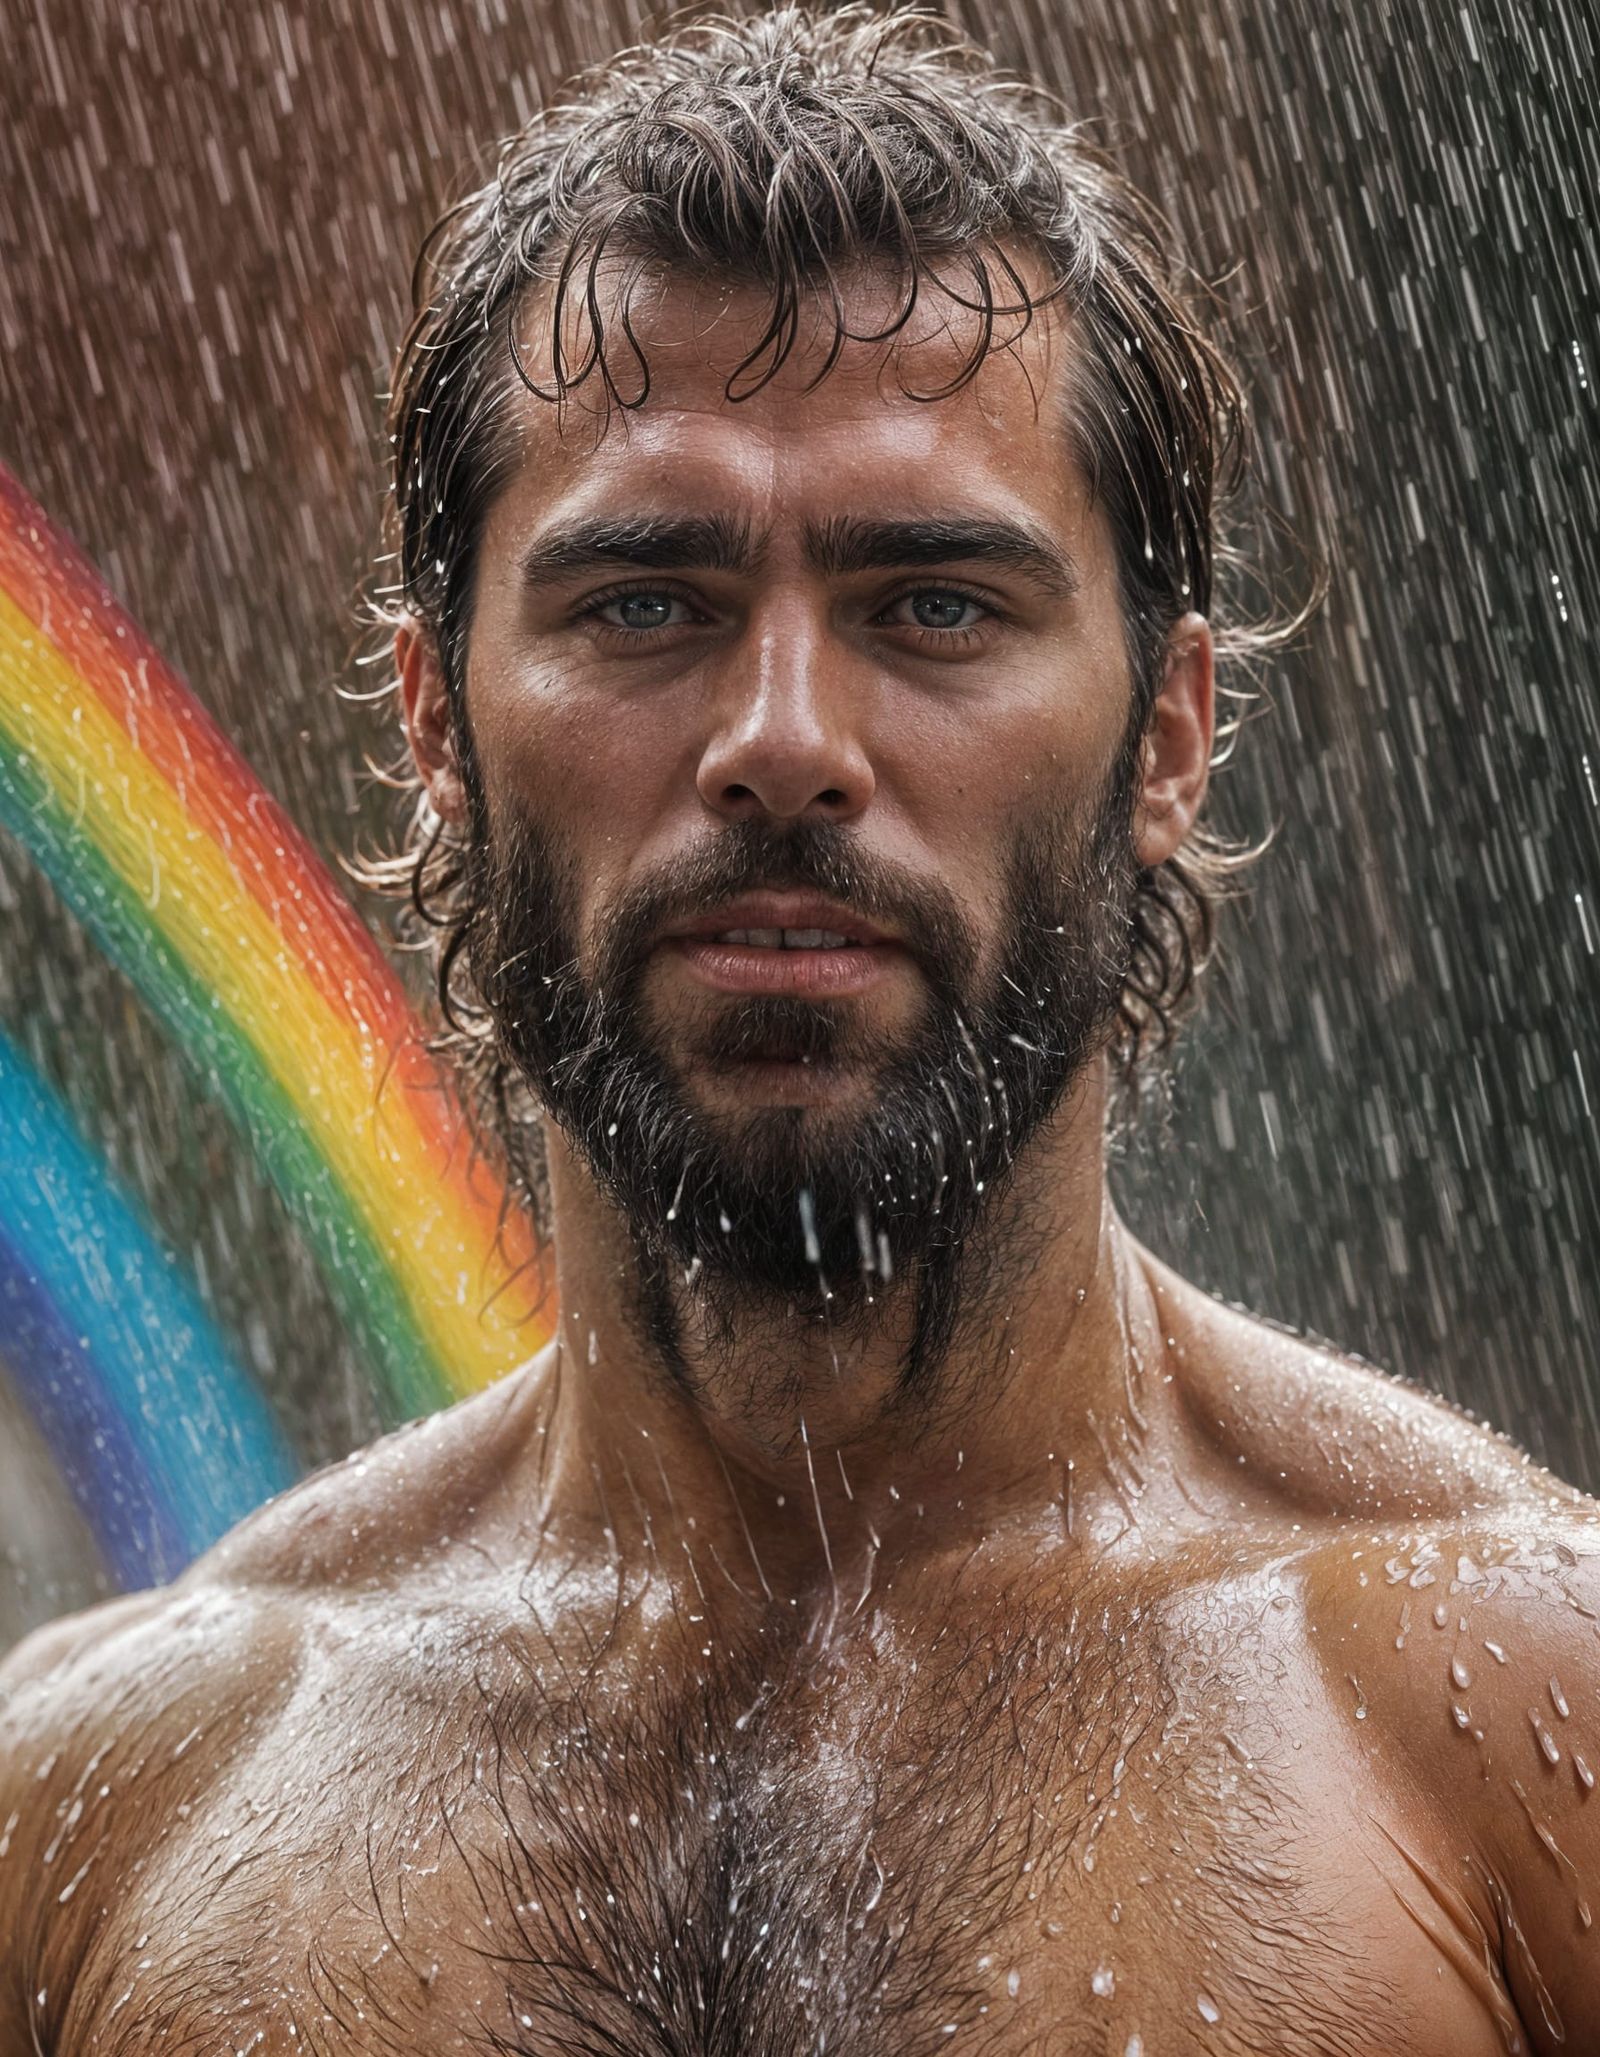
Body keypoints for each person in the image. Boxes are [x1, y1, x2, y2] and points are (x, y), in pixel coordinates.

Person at [2, 8, 1594, 2050]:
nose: (777, 743)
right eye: (642, 604)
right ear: (430, 735)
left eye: (930, 603)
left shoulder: (1499, 1717)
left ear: (1169, 739)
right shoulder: (113, 1804)